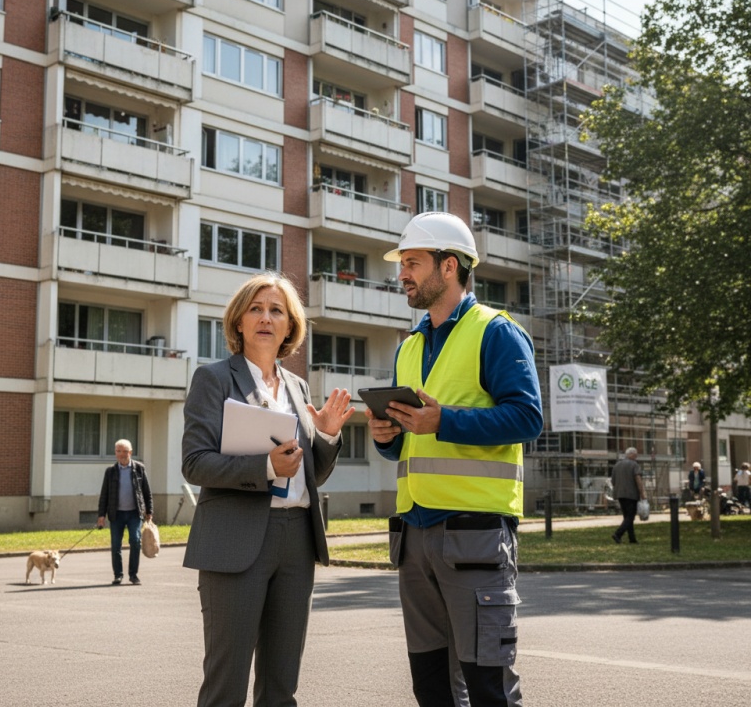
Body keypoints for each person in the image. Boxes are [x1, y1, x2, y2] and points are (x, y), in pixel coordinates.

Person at [366, 212, 543, 707]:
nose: (402, 273)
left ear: (449, 267)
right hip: (414, 537)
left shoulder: (497, 333)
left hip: (475, 537)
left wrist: (444, 421)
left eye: (412, 262)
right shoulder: (409, 347)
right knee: (432, 689)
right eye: (402, 263)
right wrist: (387, 436)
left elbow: (527, 418)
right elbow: (409, 442)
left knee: (489, 688)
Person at [182, 272, 354, 707]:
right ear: (238, 321)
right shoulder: (213, 378)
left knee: (281, 686)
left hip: (297, 541)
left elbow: (308, 474)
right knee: (226, 684)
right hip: (235, 541)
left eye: (276, 310)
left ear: (290, 326)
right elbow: (194, 462)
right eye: (255, 308)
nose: (265, 317)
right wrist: (264, 467)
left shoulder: (297, 387)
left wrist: (328, 437)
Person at [97, 439, 153, 585]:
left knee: (135, 541)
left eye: (124, 451)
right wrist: (101, 515)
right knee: (116, 545)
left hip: (135, 513)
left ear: (130, 452)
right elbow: (104, 495)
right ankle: (118, 575)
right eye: (118, 451)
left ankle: (133, 575)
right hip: (116, 514)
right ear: (115, 453)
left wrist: (149, 511)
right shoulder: (110, 471)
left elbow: (146, 492)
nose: (121, 454)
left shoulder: (139, 468)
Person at [610, 447, 645, 545]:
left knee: (627, 517)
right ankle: (618, 534)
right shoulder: (634, 465)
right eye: (636, 455)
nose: (637, 457)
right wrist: (642, 493)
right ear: (632, 455)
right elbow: (638, 479)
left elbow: (613, 481)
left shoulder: (617, 465)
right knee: (630, 517)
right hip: (631, 494)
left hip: (620, 494)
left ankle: (632, 539)